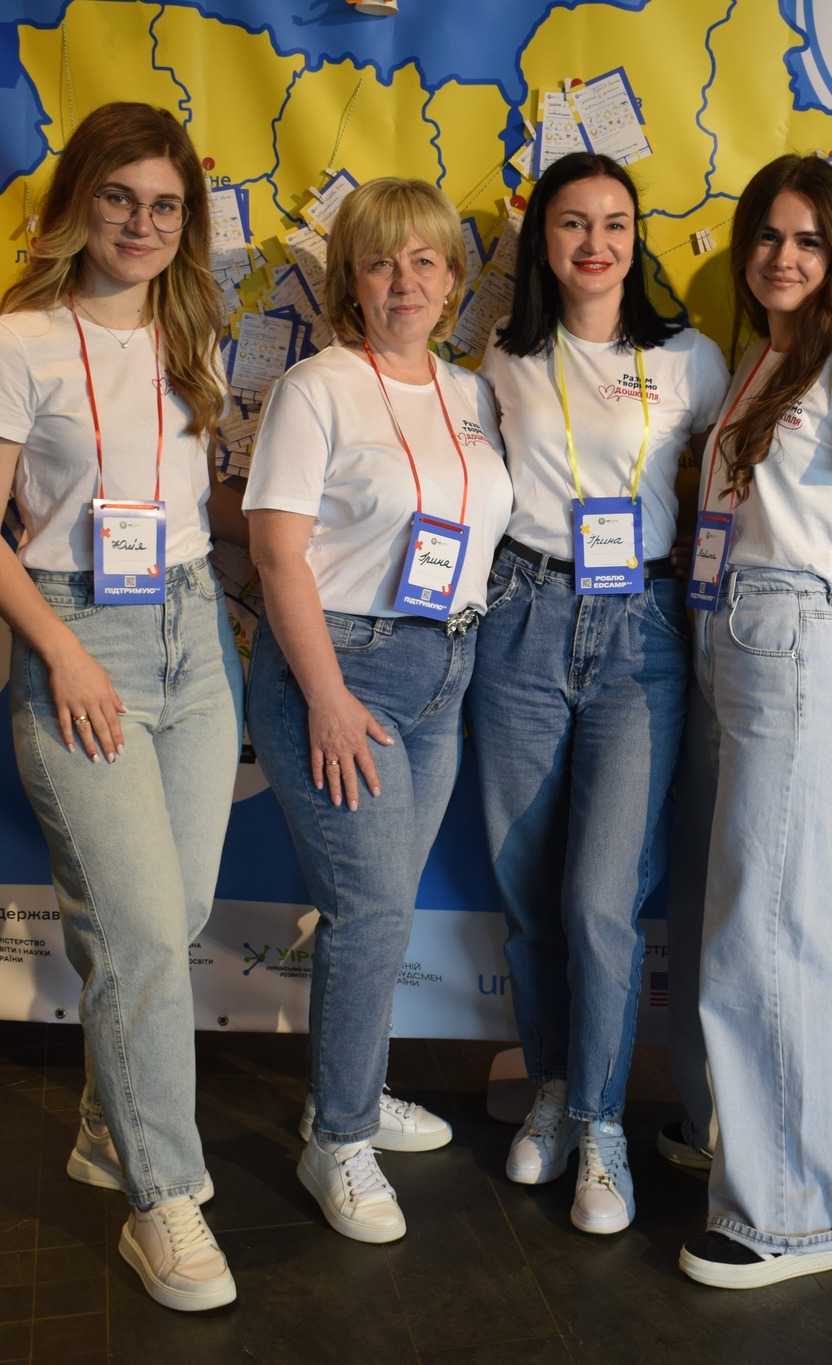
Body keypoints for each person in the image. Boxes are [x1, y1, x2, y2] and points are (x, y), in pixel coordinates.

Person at [0, 101, 242, 1312]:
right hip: (83, 637)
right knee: (137, 936)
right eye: (119, 197)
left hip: (194, 636)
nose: (141, 222)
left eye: (165, 204)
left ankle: (105, 1121)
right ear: (78, 202)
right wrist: (62, 654)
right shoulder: (17, 343)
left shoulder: (194, 335)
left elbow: (196, 503)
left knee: (175, 915)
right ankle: (162, 1199)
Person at [672, 154, 832, 1289]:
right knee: (743, 914)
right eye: (769, 236)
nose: (785, 257)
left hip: (791, 627)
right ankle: (753, 1152)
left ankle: (792, 1218)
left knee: (773, 929)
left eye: (809, 240)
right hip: (725, 626)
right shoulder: (761, 359)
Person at [243, 177, 512, 1245]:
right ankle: (339, 1136)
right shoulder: (314, 388)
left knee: (384, 906)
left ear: (453, 279)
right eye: (379, 262)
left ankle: (348, 1088)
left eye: (425, 261)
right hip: (342, 669)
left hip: (446, 669)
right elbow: (276, 553)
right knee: (367, 911)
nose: (404, 281)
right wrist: (324, 696)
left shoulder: (470, 392)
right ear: (348, 281)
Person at [469, 152, 730, 1234]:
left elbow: (739, 478)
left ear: (636, 238)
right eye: (572, 222)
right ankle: (553, 1087)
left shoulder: (688, 359)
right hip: (522, 617)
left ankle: (604, 1122)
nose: (594, 243)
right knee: (530, 894)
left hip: (640, 631)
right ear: (542, 239)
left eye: (614, 223)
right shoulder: (502, 352)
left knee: (598, 899)